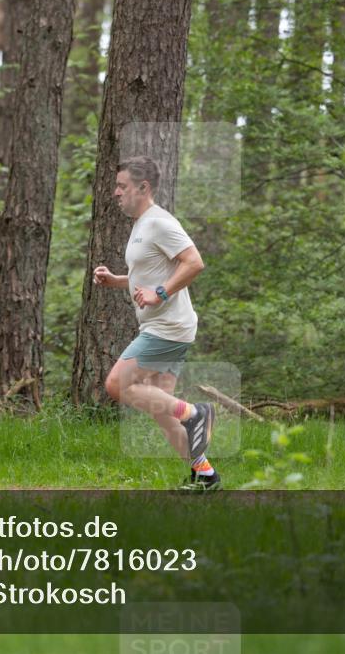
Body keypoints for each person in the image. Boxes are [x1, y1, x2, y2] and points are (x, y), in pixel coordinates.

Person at [94, 156, 219, 491]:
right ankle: (204, 474)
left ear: (142, 187)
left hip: (167, 327)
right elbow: (148, 275)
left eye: (122, 186)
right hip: (167, 326)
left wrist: (160, 294)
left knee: (117, 385)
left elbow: (194, 262)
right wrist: (118, 281)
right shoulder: (141, 225)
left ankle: (196, 413)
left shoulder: (160, 222)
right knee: (163, 411)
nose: (116, 192)